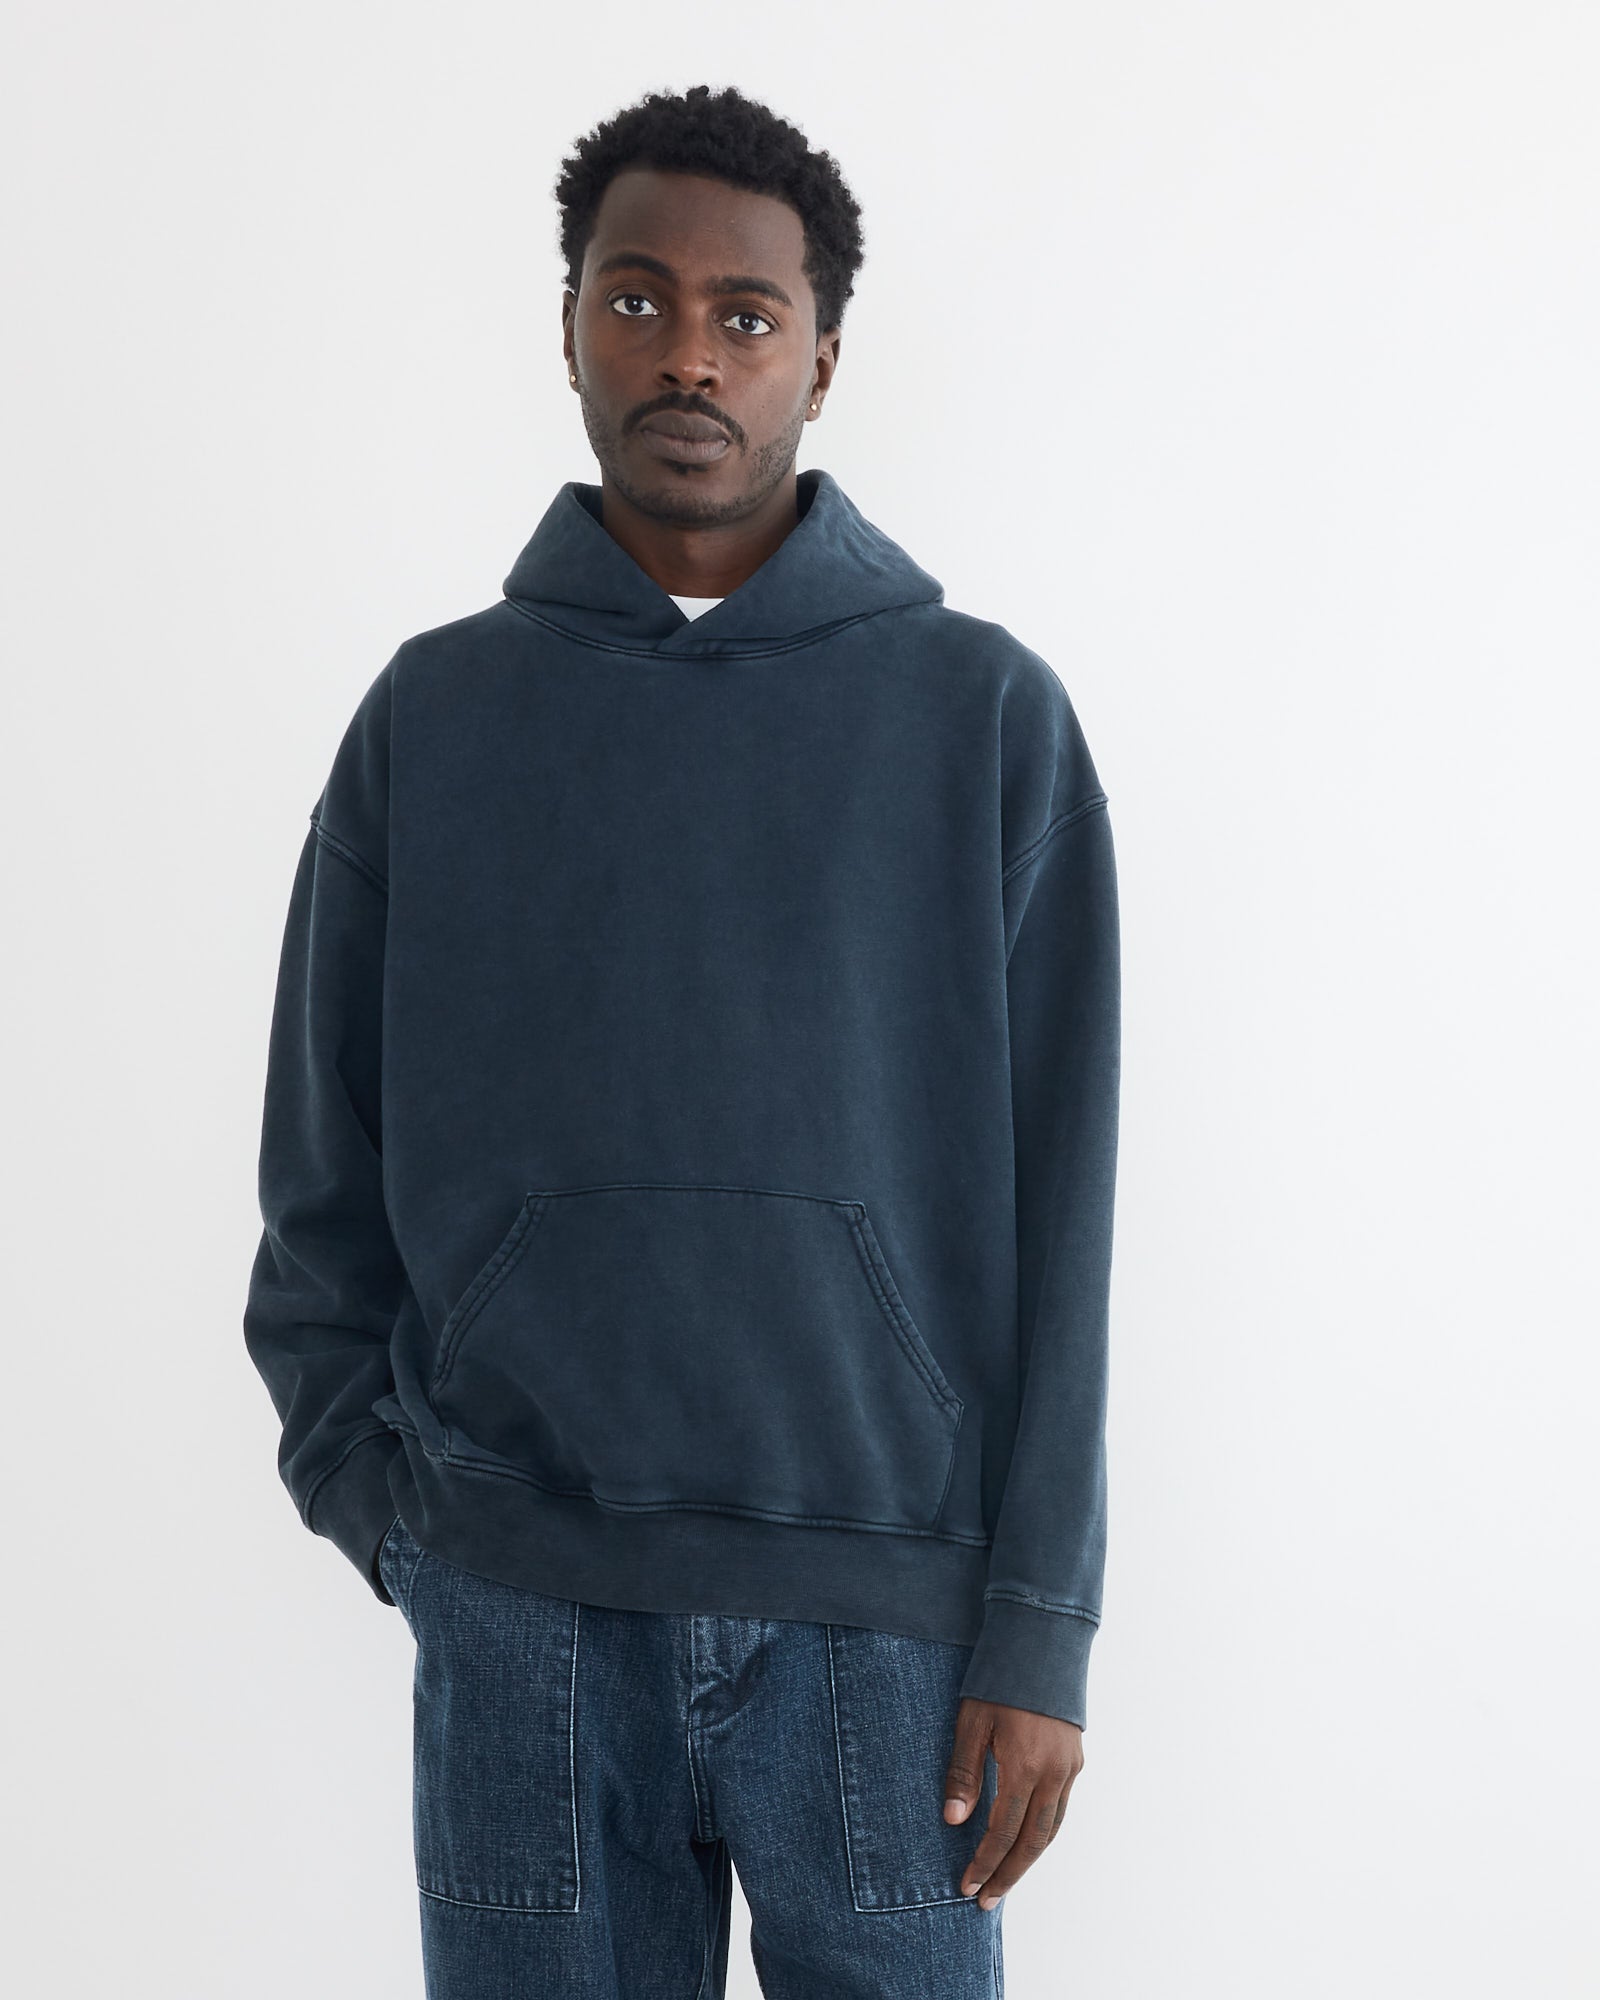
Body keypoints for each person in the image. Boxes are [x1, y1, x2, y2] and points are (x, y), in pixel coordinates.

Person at [243, 80, 1121, 1998]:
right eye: (636, 300)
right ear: (566, 325)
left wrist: (1037, 1629)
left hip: (886, 1639)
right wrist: (418, 1535)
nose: (691, 355)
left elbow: (1070, 1214)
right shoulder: (436, 722)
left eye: (746, 314)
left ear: (823, 355)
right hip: (526, 1621)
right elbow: (322, 1183)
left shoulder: (985, 722)